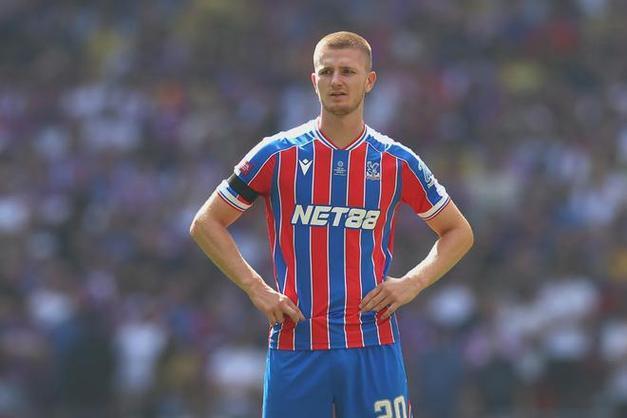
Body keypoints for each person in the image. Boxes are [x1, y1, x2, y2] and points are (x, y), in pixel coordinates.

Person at [190, 31, 474, 418]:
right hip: (298, 343)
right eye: (327, 72)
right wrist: (256, 288)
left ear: (369, 81)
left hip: (372, 343)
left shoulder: (397, 161)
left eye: (348, 71)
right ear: (314, 81)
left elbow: (458, 231)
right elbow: (206, 223)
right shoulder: (277, 154)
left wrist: (413, 282)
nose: (336, 80)